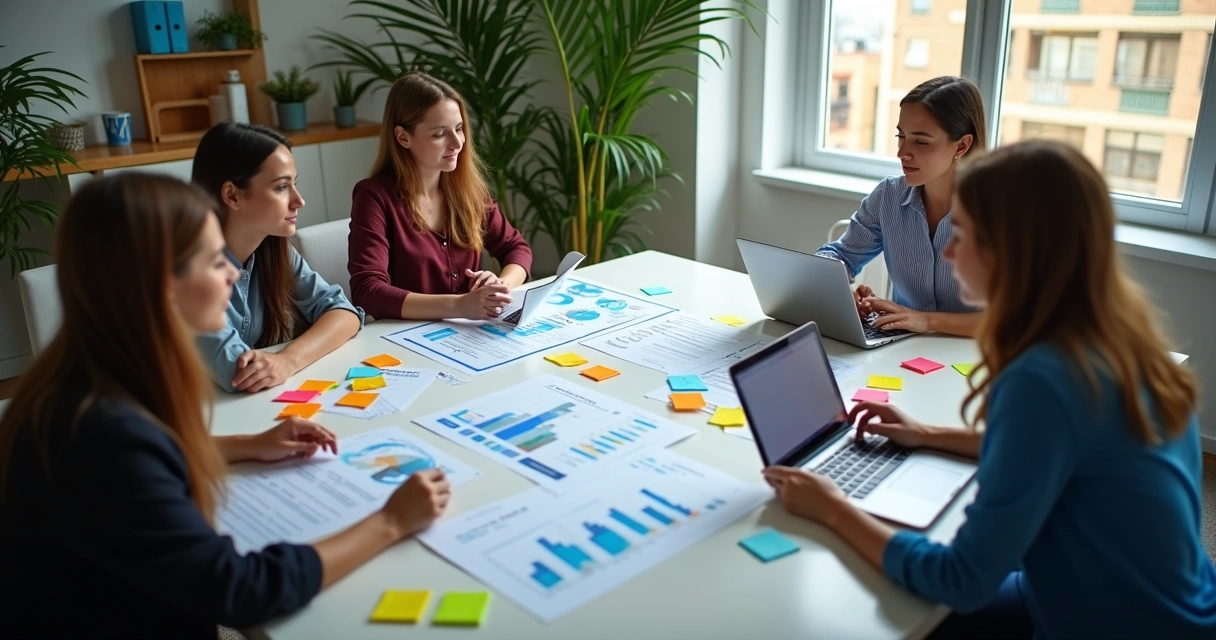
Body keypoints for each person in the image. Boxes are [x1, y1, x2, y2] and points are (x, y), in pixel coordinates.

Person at [766, 141, 1216, 638]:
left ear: (1016, 253)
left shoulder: (1044, 376)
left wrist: (833, 508)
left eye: (964, 235)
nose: (950, 252)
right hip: (1167, 604)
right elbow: (1058, 448)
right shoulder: (1118, 337)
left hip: (1109, 624)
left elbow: (961, 580)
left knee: (868, 610)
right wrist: (928, 433)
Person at [0, 173, 451, 638]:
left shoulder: (80, 382)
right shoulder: (102, 432)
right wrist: (390, 521)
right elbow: (239, 588)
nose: (234, 274)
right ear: (160, 285)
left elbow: (136, 459)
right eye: (215, 261)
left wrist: (245, 443)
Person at [192, 122, 363, 393]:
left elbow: (344, 313)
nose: (299, 200)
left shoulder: (274, 249)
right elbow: (240, 374)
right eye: (282, 187)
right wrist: (282, 363)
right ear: (232, 195)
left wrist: (288, 360)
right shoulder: (188, 272)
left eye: (294, 184)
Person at [348, 71, 532, 321]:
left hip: (466, 334)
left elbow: (516, 248)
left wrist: (499, 287)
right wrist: (460, 306)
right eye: (439, 134)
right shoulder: (374, 197)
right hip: (404, 339)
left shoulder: (468, 191)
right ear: (403, 137)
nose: (457, 143)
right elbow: (368, 291)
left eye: (459, 129)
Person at [816, 76, 985, 337]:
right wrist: (839, 291)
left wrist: (927, 321)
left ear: (961, 146)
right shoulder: (889, 196)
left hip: (974, 357)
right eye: (901, 136)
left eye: (921, 142)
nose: (901, 153)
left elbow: (1017, 318)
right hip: (905, 349)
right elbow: (839, 255)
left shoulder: (999, 211)